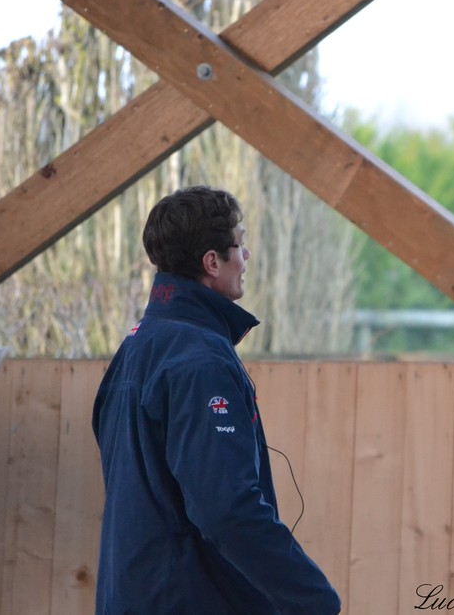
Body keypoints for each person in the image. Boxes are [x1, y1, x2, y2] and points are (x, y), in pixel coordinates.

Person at [92, 186, 341, 615]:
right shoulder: (201, 361)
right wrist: (312, 598)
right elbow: (225, 507)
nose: (247, 257)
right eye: (240, 245)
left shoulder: (135, 347)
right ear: (212, 262)